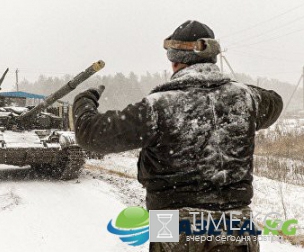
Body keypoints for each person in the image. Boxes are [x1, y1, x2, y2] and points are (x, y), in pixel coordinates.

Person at [73, 20, 283, 252]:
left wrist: (85, 100)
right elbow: (275, 101)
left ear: (174, 61)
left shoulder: (159, 106)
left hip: (172, 222)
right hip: (236, 223)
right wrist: (230, 88)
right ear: (213, 58)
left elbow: (90, 134)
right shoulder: (246, 98)